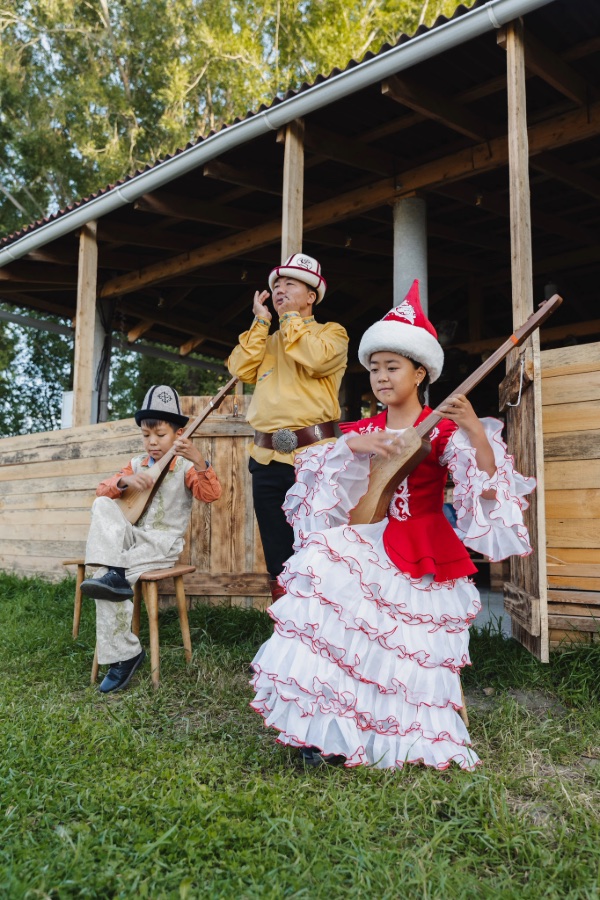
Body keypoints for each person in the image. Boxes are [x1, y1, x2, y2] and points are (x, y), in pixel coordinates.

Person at [249, 281, 535, 771]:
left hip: (421, 545)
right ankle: (320, 728)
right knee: (322, 579)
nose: (381, 377)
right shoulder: (360, 430)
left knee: (403, 637)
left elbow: (487, 487)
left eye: (392, 367)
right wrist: (352, 446)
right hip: (368, 540)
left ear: (421, 372)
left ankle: (387, 728)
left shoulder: (444, 429)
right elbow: (312, 478)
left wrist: (472, 432)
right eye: (374, 368)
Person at [80, 385, 222, 693]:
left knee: (102, 575)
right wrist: (124, 481)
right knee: (102, 505)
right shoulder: (135, 464)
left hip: (160, 544)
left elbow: (210, 494)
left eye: (160, 434)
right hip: (130, 540)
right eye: (146, 435)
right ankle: (125, 650)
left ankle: (124, 656)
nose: (152, 442)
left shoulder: (185, 467)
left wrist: (199, 460)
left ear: (178, 433)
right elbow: (103, 490)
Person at [227, 253, 348, 603]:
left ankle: (323, 632)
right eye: (275, 285)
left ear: (312, 296)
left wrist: (291, 317)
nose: (279, 290)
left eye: (290, 284)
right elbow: (239, 369)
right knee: (278, 556)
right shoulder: (267, 337)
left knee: (319, 549)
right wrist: (261, 321)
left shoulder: (332, 333)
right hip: (266, 458)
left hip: (316, 457)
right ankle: (287, 636)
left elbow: (316, 358)